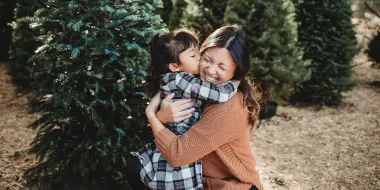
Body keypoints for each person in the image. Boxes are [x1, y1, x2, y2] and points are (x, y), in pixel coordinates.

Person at [143, 25, 263, 190]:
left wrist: (152, 115)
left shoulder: (229, 105)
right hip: (201, 179)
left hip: (231, 185)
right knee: (136, 167)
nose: (211, 70)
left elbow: (178, 154)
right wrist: (163, 117)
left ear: (236, 70)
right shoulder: (195, 85)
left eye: (222, 67)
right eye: (207, 59)